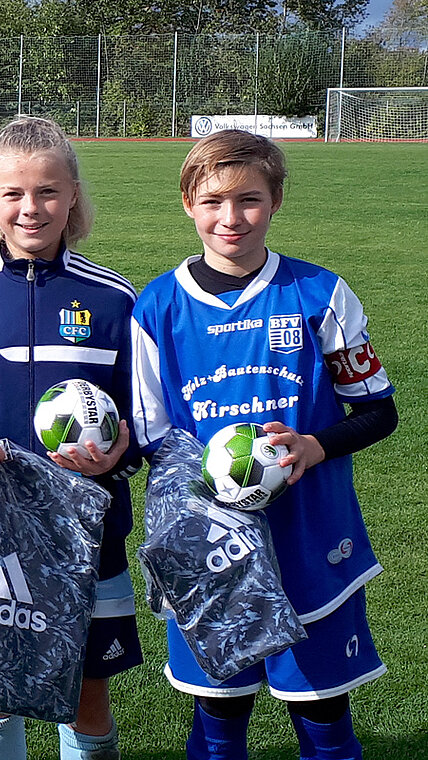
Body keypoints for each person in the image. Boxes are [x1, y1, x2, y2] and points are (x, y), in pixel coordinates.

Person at [131, 129, 398, 760]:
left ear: (275, 201)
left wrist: (313, 447)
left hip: (308, 539)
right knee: (219, 720)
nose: (231, 218)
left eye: (249, 199)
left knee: (324, 717)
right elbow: (152, 435)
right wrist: (210, 479)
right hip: (211, 551)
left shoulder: (320, 294)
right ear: (188, 205)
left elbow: (378, 412)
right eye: (213, 201)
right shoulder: (158, 307)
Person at [0, 116, 143, 760]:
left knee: (86, 694)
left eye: (48, 191)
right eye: (14, 193)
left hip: (89, 528)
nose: (31, 207)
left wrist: (119, 452)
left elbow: (144, 414)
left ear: (72, 195)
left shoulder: (112, 298)